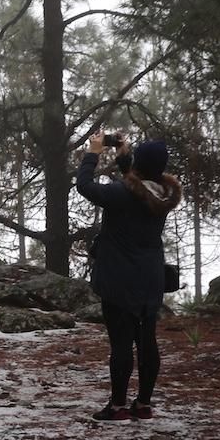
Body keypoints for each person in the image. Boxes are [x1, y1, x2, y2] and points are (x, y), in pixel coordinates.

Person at [76, 131, 182, 421]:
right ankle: (143, 404)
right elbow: (135, 183)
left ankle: (118, 406)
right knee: (147, 341)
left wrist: (94, 152)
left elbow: (84, 185)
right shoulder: (160, 194)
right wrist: (124, 156)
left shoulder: (119, 194)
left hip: (119, 279)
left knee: (121, 342)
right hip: (150, 279)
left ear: (140, 163)